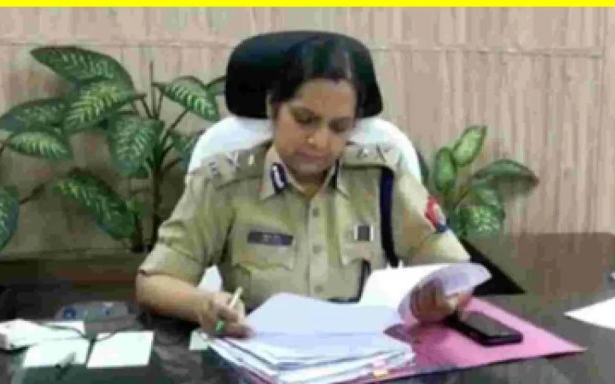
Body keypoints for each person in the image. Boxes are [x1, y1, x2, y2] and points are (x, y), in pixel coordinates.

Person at [135, 35, 472, 338]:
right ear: (273, 109)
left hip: (361, 358)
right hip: (259, 354)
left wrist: (446, 298)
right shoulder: (224, 184)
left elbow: (458, 273)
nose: (319, 141)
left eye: (339, 127)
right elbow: (153, 282)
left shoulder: (382, 178)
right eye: (304, 120)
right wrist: (203, 304)